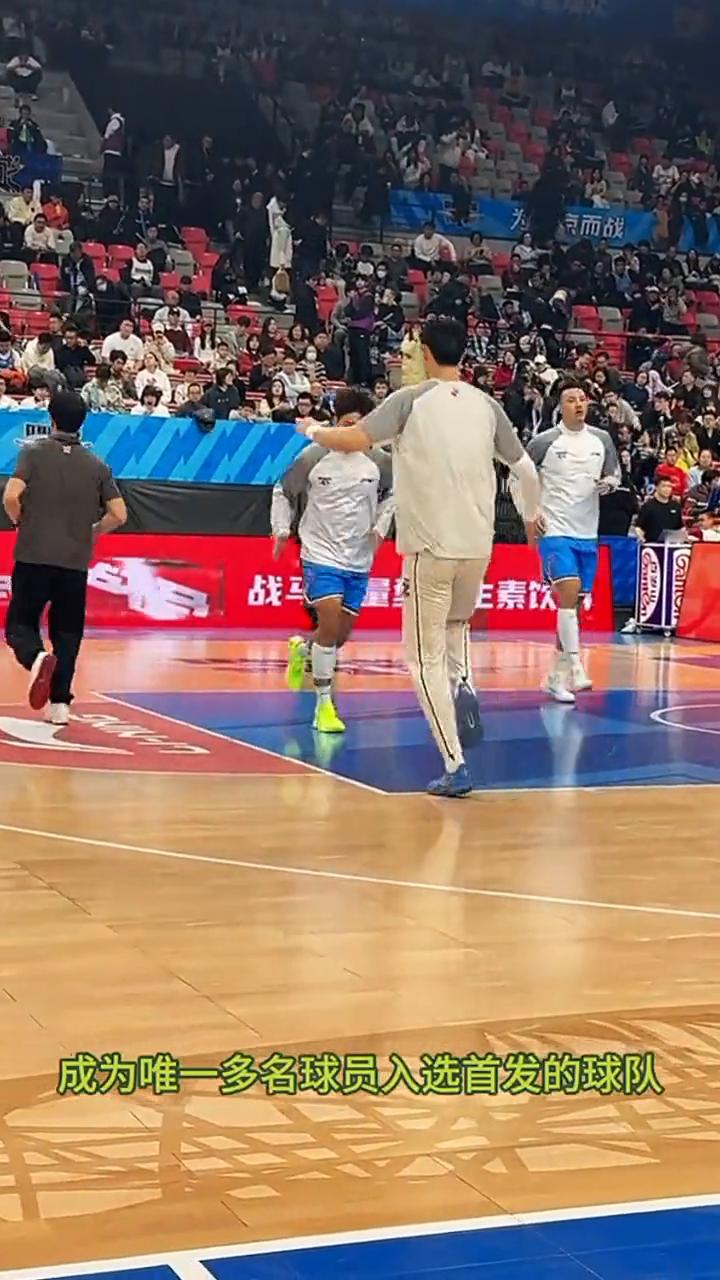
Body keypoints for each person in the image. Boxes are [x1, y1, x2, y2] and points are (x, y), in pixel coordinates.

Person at [294, 318, 541, 796]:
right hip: (478, 546)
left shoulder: (410, 400)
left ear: (425, 352)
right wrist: (531, 516)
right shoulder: (487, 405)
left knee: (422, 658)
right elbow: (526, 468)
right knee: (457, 624)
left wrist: (313, 429)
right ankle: (464, 682)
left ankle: (454, 763)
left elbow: (353, 439)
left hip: (430, 547)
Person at [272, 387, 394, 733]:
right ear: (336, 422)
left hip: (359, 558)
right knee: (328, 622)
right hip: (319, 553)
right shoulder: (314, 455)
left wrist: (380, 527)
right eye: (346, 423)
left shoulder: (379, 461)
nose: (351, 430)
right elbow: (282, 490)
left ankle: (305, 648)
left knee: (339, 635)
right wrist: (281, 529)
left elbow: (394, 494)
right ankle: (324, 706)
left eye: (358, 424)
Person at [3, 390, 127, 724]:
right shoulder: (97, 465)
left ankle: (36, 658)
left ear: (51, 418)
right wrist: (92, 532)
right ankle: (60, 705)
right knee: (68, 633)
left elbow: (11, 496)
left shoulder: (34, 453)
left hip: (33, 555)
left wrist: (20, 520)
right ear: (82, 423)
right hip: (74, 562)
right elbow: (119, 514)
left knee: (19, 626)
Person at [524, 383, 620, 706]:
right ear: (560, 406)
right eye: (571, 400)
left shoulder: (601, 440)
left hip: (587, 531)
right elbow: (519, 476)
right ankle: (577, 666)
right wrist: (531, 513)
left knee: (573, 608)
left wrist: (609, 484)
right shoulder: (544, 442)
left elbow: (615, 474)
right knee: (568, 590)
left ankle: (556, 677)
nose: (578, 404)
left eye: (582, 399)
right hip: (554, 529)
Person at [635, 476, 684, 542]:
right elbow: (639, 527)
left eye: (669, 486)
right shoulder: (648, 506)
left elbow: (680, 527)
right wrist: (641, 538)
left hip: (671, 544)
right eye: (663, 486)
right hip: (651, 544)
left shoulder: (676, 506)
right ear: (656, 487)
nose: (667, 489)